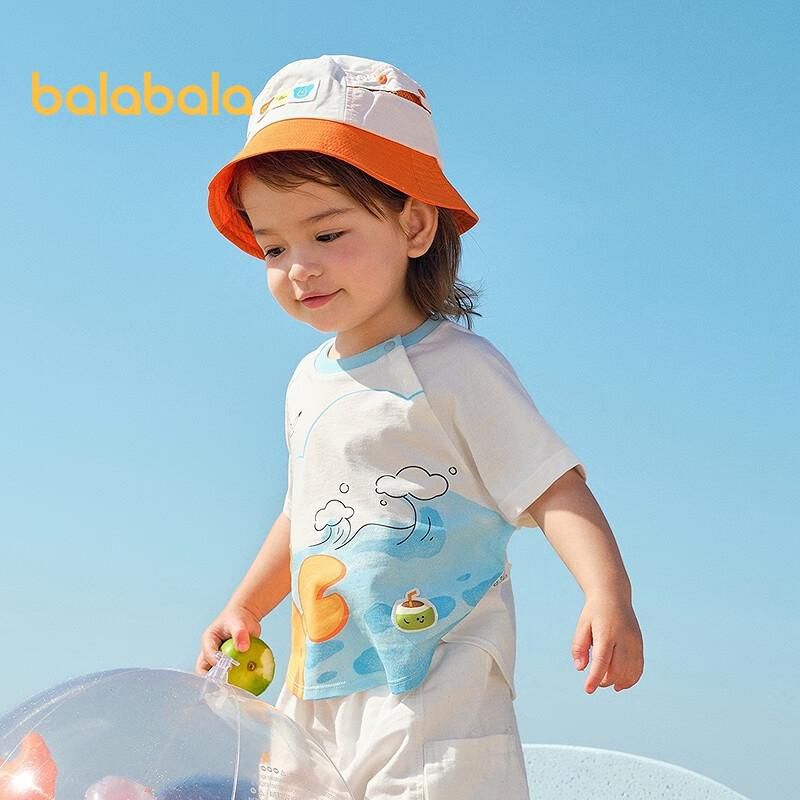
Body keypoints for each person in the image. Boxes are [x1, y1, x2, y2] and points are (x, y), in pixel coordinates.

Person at [196, 53, 644, 799]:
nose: (299, 266)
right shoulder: (307, 382)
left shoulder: (457, 367)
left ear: (413, 223)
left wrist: (608, 593)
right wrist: (246, 602)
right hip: (318, 681)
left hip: (436, 685)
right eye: (274, 247)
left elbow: (552, 487)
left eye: (327, 234)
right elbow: (303, 514)